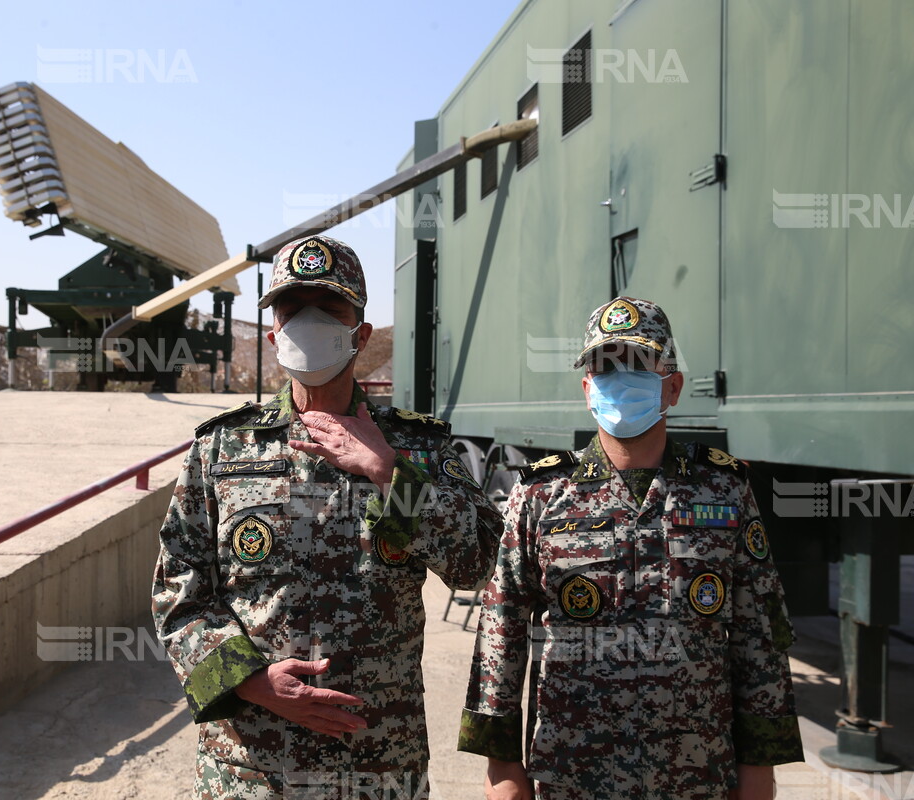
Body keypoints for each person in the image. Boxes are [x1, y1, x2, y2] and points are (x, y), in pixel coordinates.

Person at [152, 234, 502, 799]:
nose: (308, 322)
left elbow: (481, 563)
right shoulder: (221, 450)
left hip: (376, 765)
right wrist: (252, 683)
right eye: (293, 310)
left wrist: (390, 474)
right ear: (274, 333)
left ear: (360, 334)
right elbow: (177, 594)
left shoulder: (417, 449)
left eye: (330, 308)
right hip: (251, 769)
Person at [458, 297, 803, 800]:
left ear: (674, 386)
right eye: (605, 366)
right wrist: (504, 769)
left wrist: (758, 771)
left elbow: (760, 638)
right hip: (573, 771)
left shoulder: (725, 490)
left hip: (697, 775)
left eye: (640, 363)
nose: (621, 377)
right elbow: (500, 633)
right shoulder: (540, 494)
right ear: (587, 388)